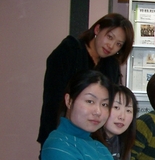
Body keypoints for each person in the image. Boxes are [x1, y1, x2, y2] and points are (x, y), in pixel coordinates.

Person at [37, 13, 134, 147]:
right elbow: (54, 97)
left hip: (94, 139)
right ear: (97, 29)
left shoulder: (111, 65)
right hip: (60, 131)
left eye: (118, 44)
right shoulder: (70, 50)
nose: (111, 46)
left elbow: (109, 102)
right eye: (109, 37)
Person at [41, 70, 119, 160]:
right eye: (90, 101)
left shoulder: (98, 146)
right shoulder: (58, 146)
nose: (98, 111)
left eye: (104, 105)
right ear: (69, 101)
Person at [97, 85, 138, 160]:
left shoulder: (123, 142)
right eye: (116, 107)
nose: (122, 116)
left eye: (128, 110)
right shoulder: (89, 143)